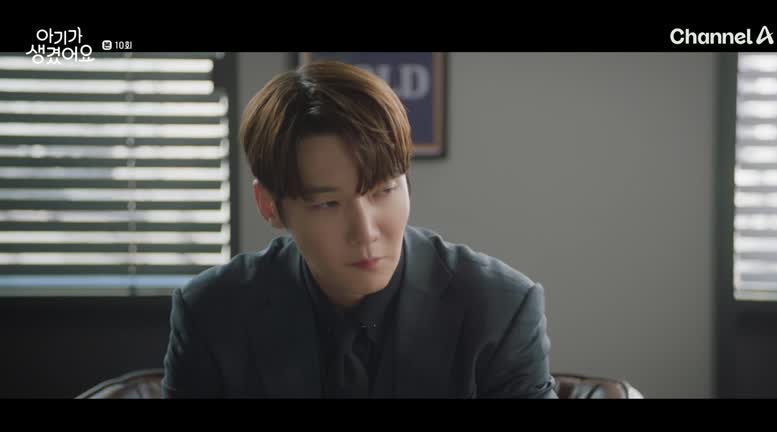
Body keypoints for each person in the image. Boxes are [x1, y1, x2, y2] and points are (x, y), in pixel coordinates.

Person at [162, 60, 557, 398]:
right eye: (328, 204)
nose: (365, 232)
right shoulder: (212, 313)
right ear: (269, 205)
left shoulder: (499, 309)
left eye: (383, 190)